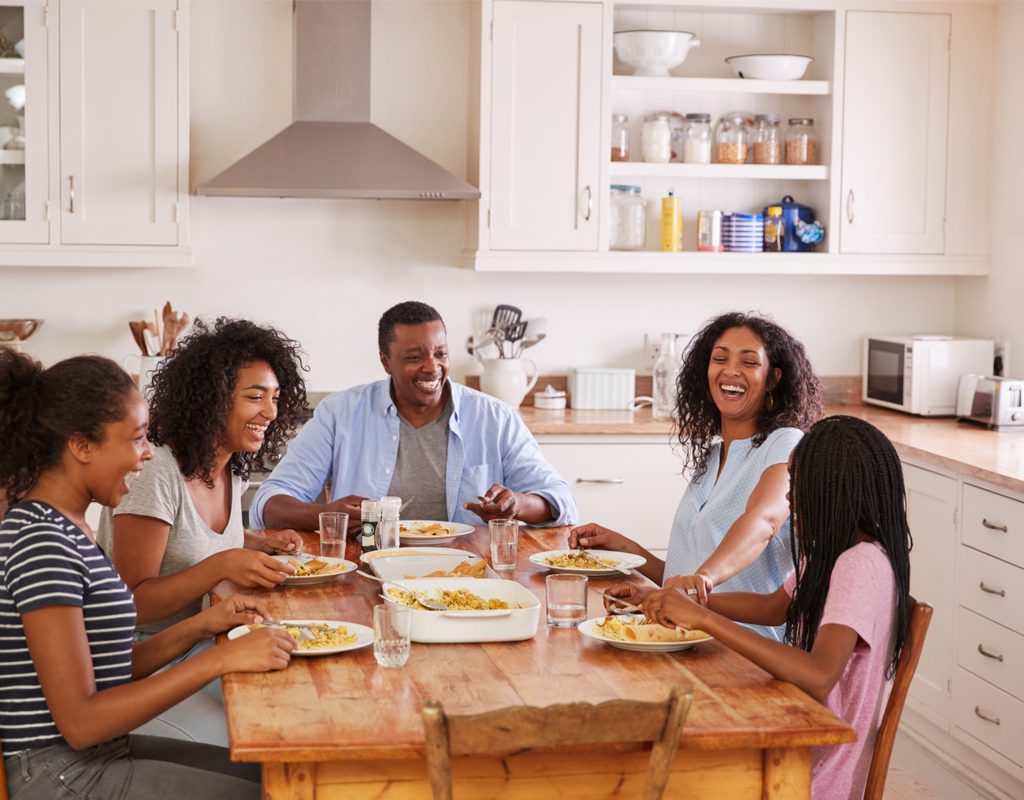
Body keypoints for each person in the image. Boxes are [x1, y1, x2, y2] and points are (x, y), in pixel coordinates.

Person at [0, 350, 296, 800]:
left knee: (278, 777)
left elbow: (108, 668)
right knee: (274, 794)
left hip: (97, 756)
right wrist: (217, 659)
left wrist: (204, 625)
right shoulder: (42, 541)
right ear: (81, 445)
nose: (145, 457)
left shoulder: (65, 525)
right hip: (63, 775)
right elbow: (81, 723)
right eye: (136, 439)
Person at [630, 416, 913, 800]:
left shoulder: (860, 564)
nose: (790, 500)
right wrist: (689, 601)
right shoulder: (833, 552)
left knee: (662, 773)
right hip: (797, 740)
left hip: (813, 774)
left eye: (798, 487)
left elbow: (818, 675)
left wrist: (703, 618)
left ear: (834, 490)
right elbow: (775, 607)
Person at [570, 311, 823, 639]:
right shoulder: (713, 455)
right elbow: (687, 582)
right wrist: (628, 550)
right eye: (720, 358)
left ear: (773, 379)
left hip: (747, 651)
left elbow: (765, 522)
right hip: (691, 638)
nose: (730, 370)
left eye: (749, 362)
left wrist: (703, 578)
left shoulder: (786, 443)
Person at [250, 301, 578, 532]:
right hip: (368, 570)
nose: (432, 367)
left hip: (470, 575)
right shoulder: (340, 413)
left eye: (440, 353)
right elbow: (268, 504)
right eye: (414, 357)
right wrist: (324, 514)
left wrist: (518, 504)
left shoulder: (495, 418)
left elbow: (561, 501)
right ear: (385, 362)